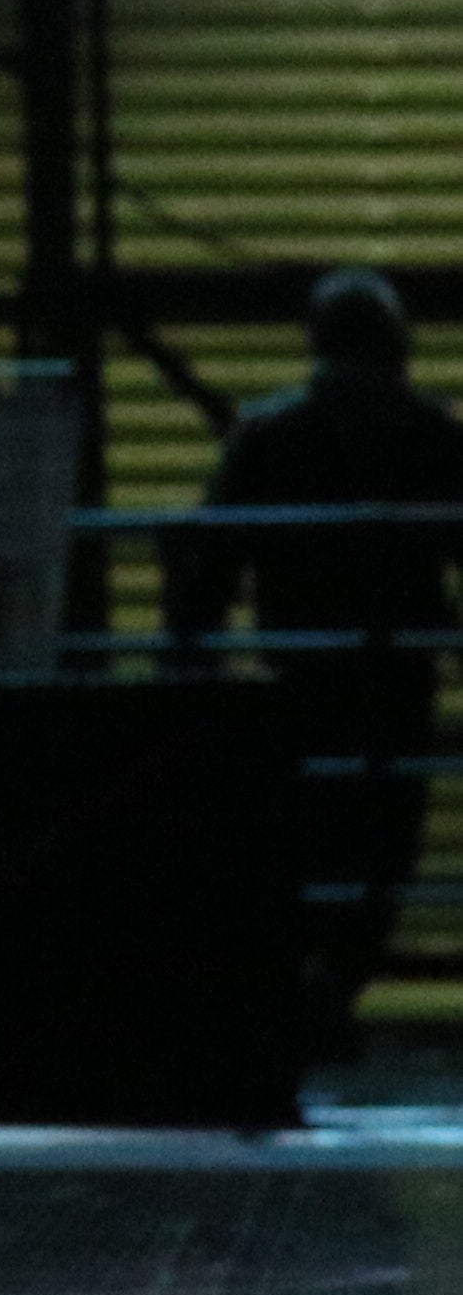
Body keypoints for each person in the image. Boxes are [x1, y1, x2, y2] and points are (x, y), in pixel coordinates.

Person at [167, 264, 463, 1051]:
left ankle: (301, 989)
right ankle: (335, 986)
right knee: (380, 839)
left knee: (300, 834)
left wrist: (187, 663)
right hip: (396, 677)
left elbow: (209, 563)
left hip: (297, 677)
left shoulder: (268, 434)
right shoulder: (429, 433)